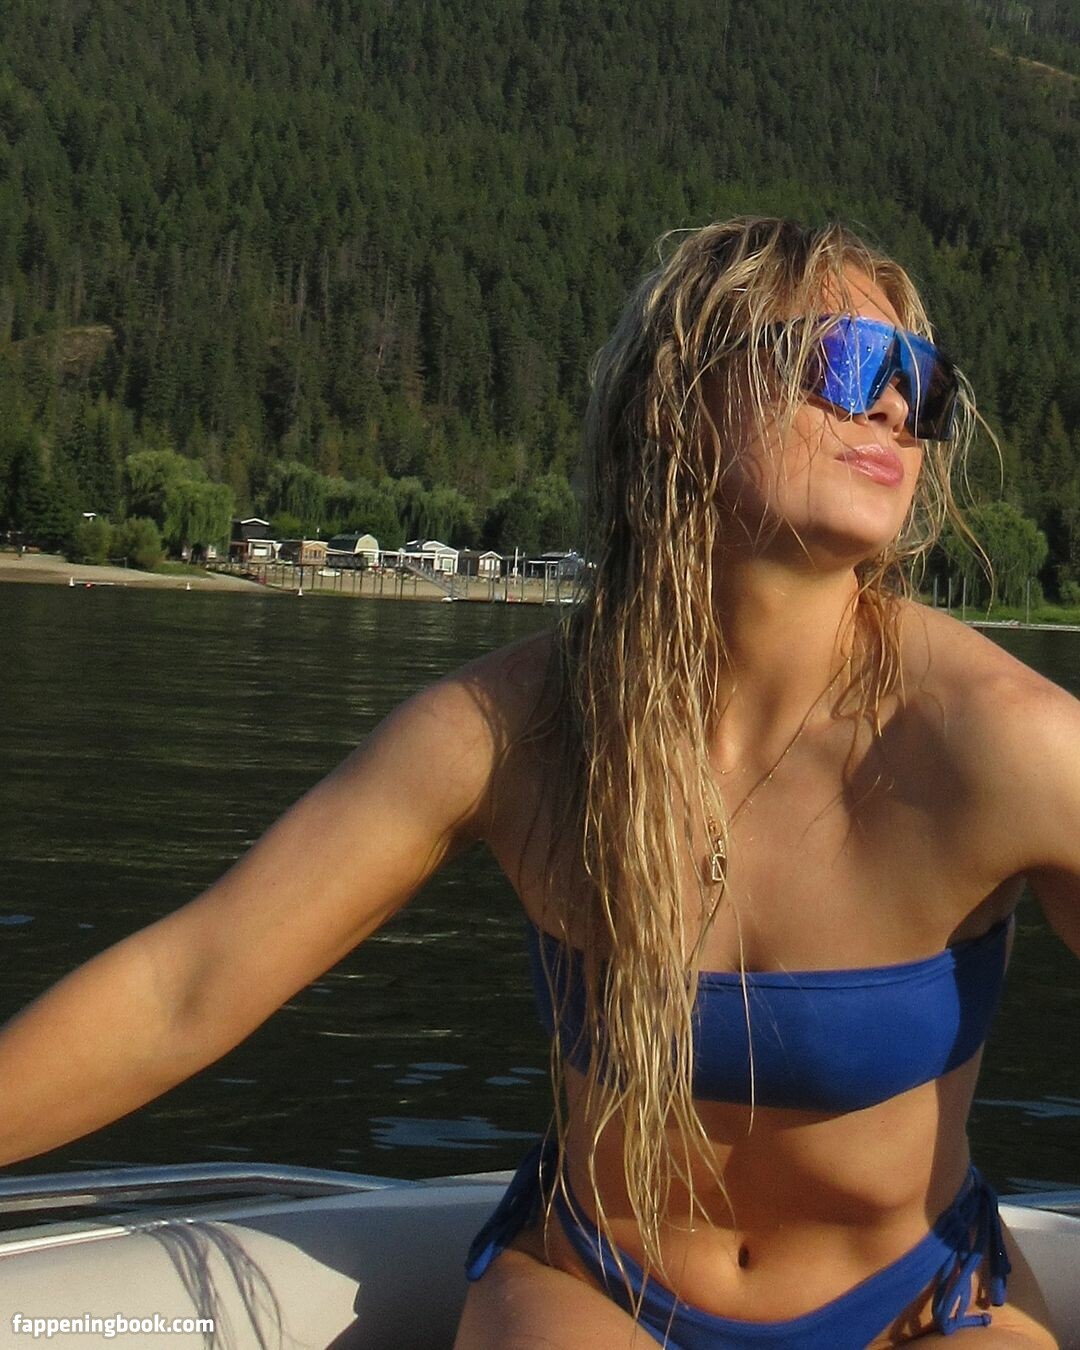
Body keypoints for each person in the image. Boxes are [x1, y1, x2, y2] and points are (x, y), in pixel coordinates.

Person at [0, 218, 1074, 1348]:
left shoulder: (1002, 744)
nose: (895, 408)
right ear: (683, 399)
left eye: (922, 382)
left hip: (919, 1299)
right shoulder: (518, 734)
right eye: (847, 362)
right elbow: (187, 986)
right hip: (593, 1286)